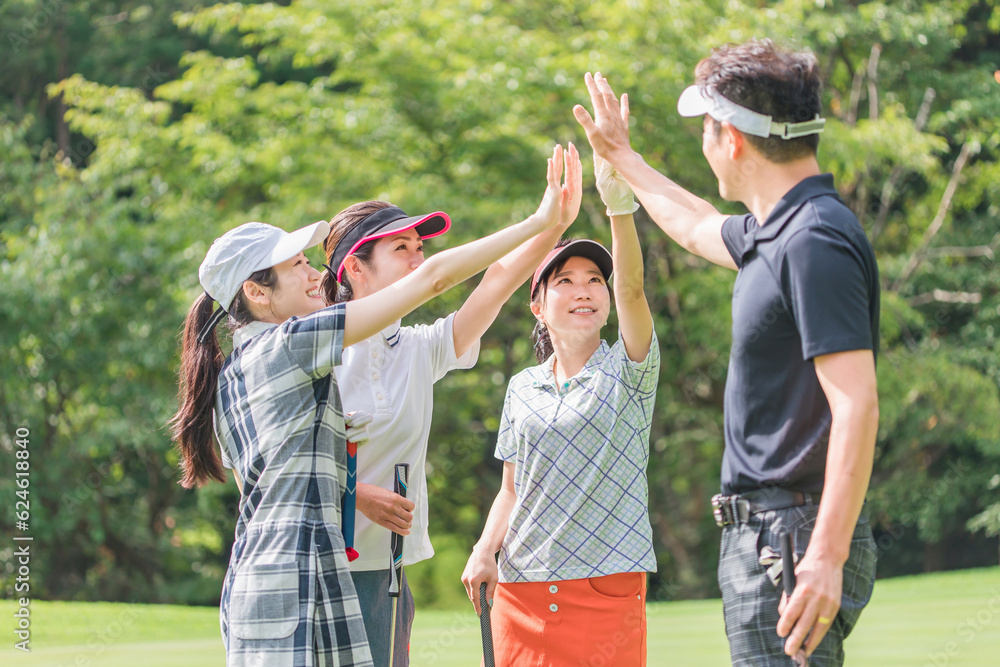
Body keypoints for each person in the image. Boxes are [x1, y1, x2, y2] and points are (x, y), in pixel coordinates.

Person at [168, 146, 570, 666]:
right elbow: (434, 281)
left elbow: (480, 284)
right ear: (256, 293)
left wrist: (550, 227)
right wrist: (539, 220)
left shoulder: (241, 362)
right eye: (297, 266)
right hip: (304, 577)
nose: (314, 274)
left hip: (283, 577)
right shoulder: (294, 345)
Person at [573, 40, 880, 665]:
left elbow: (857, 405)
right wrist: (623, 160)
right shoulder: (780, 231)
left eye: (707, 128)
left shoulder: (812, 239)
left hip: (790, 540)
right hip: (775, 534)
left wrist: (826, 555)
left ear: (732, 138)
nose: (704, 143)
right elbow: (693, 223)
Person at [318, 144, 582, 666]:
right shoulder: (313, 350)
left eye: (421, 247)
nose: (420, 259)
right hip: (314, 568)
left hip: (383, 577)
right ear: (355, 267)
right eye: (403, 249)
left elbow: (498, 280)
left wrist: (555, 223)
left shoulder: (416, 347)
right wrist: (354, 493)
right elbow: (268, 465)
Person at [461, 136, 660, 665]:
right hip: (521, 590)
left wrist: (619, 208)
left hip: (605, 587)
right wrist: (485, 551)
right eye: (565, 281)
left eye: (595, 280)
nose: (584, 290)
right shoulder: (521, 387)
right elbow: (511, 490)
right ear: (538, 305)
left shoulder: (630, 369)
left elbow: (635, 290)